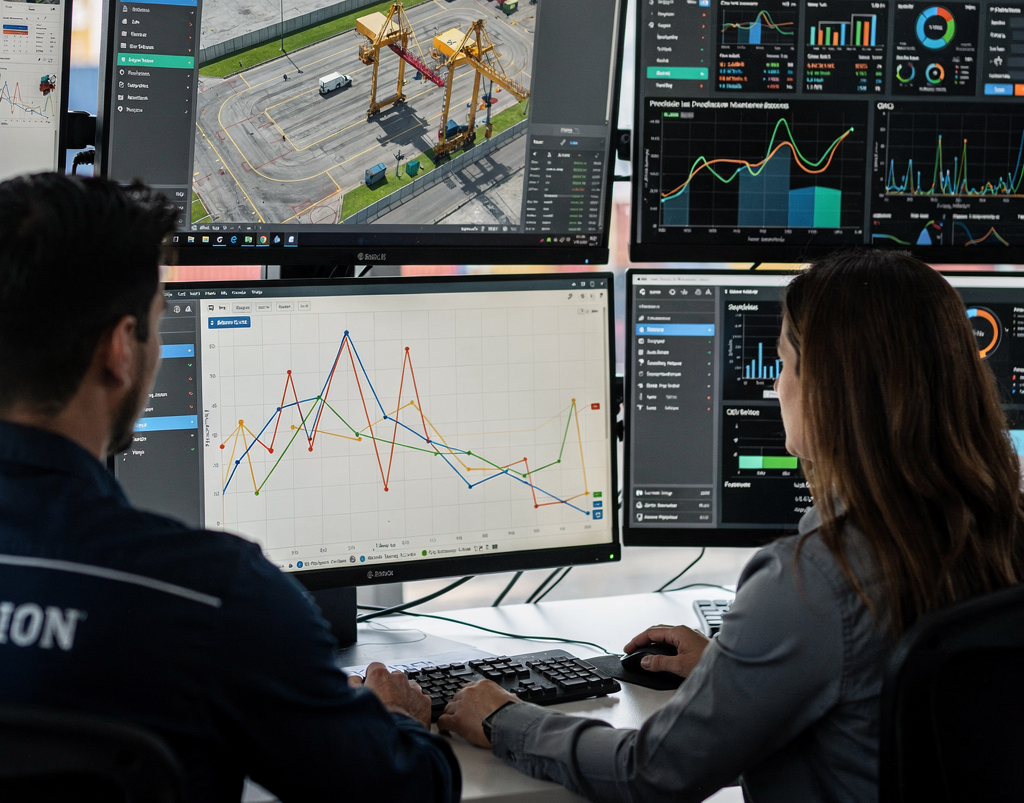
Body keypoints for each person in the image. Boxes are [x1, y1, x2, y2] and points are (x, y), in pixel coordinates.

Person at [440, 249, 1024, 802]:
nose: (775, 386)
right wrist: (734, 669)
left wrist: (502, 718)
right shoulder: (1002, 528)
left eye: (785, 363)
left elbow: (651, 773)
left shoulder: (812, 581)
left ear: (828, 390)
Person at [0, 174, 459, 802]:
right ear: (120, 352)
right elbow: (406, 793)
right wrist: (398, 719)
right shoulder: (215, 595)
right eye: (157, 326)